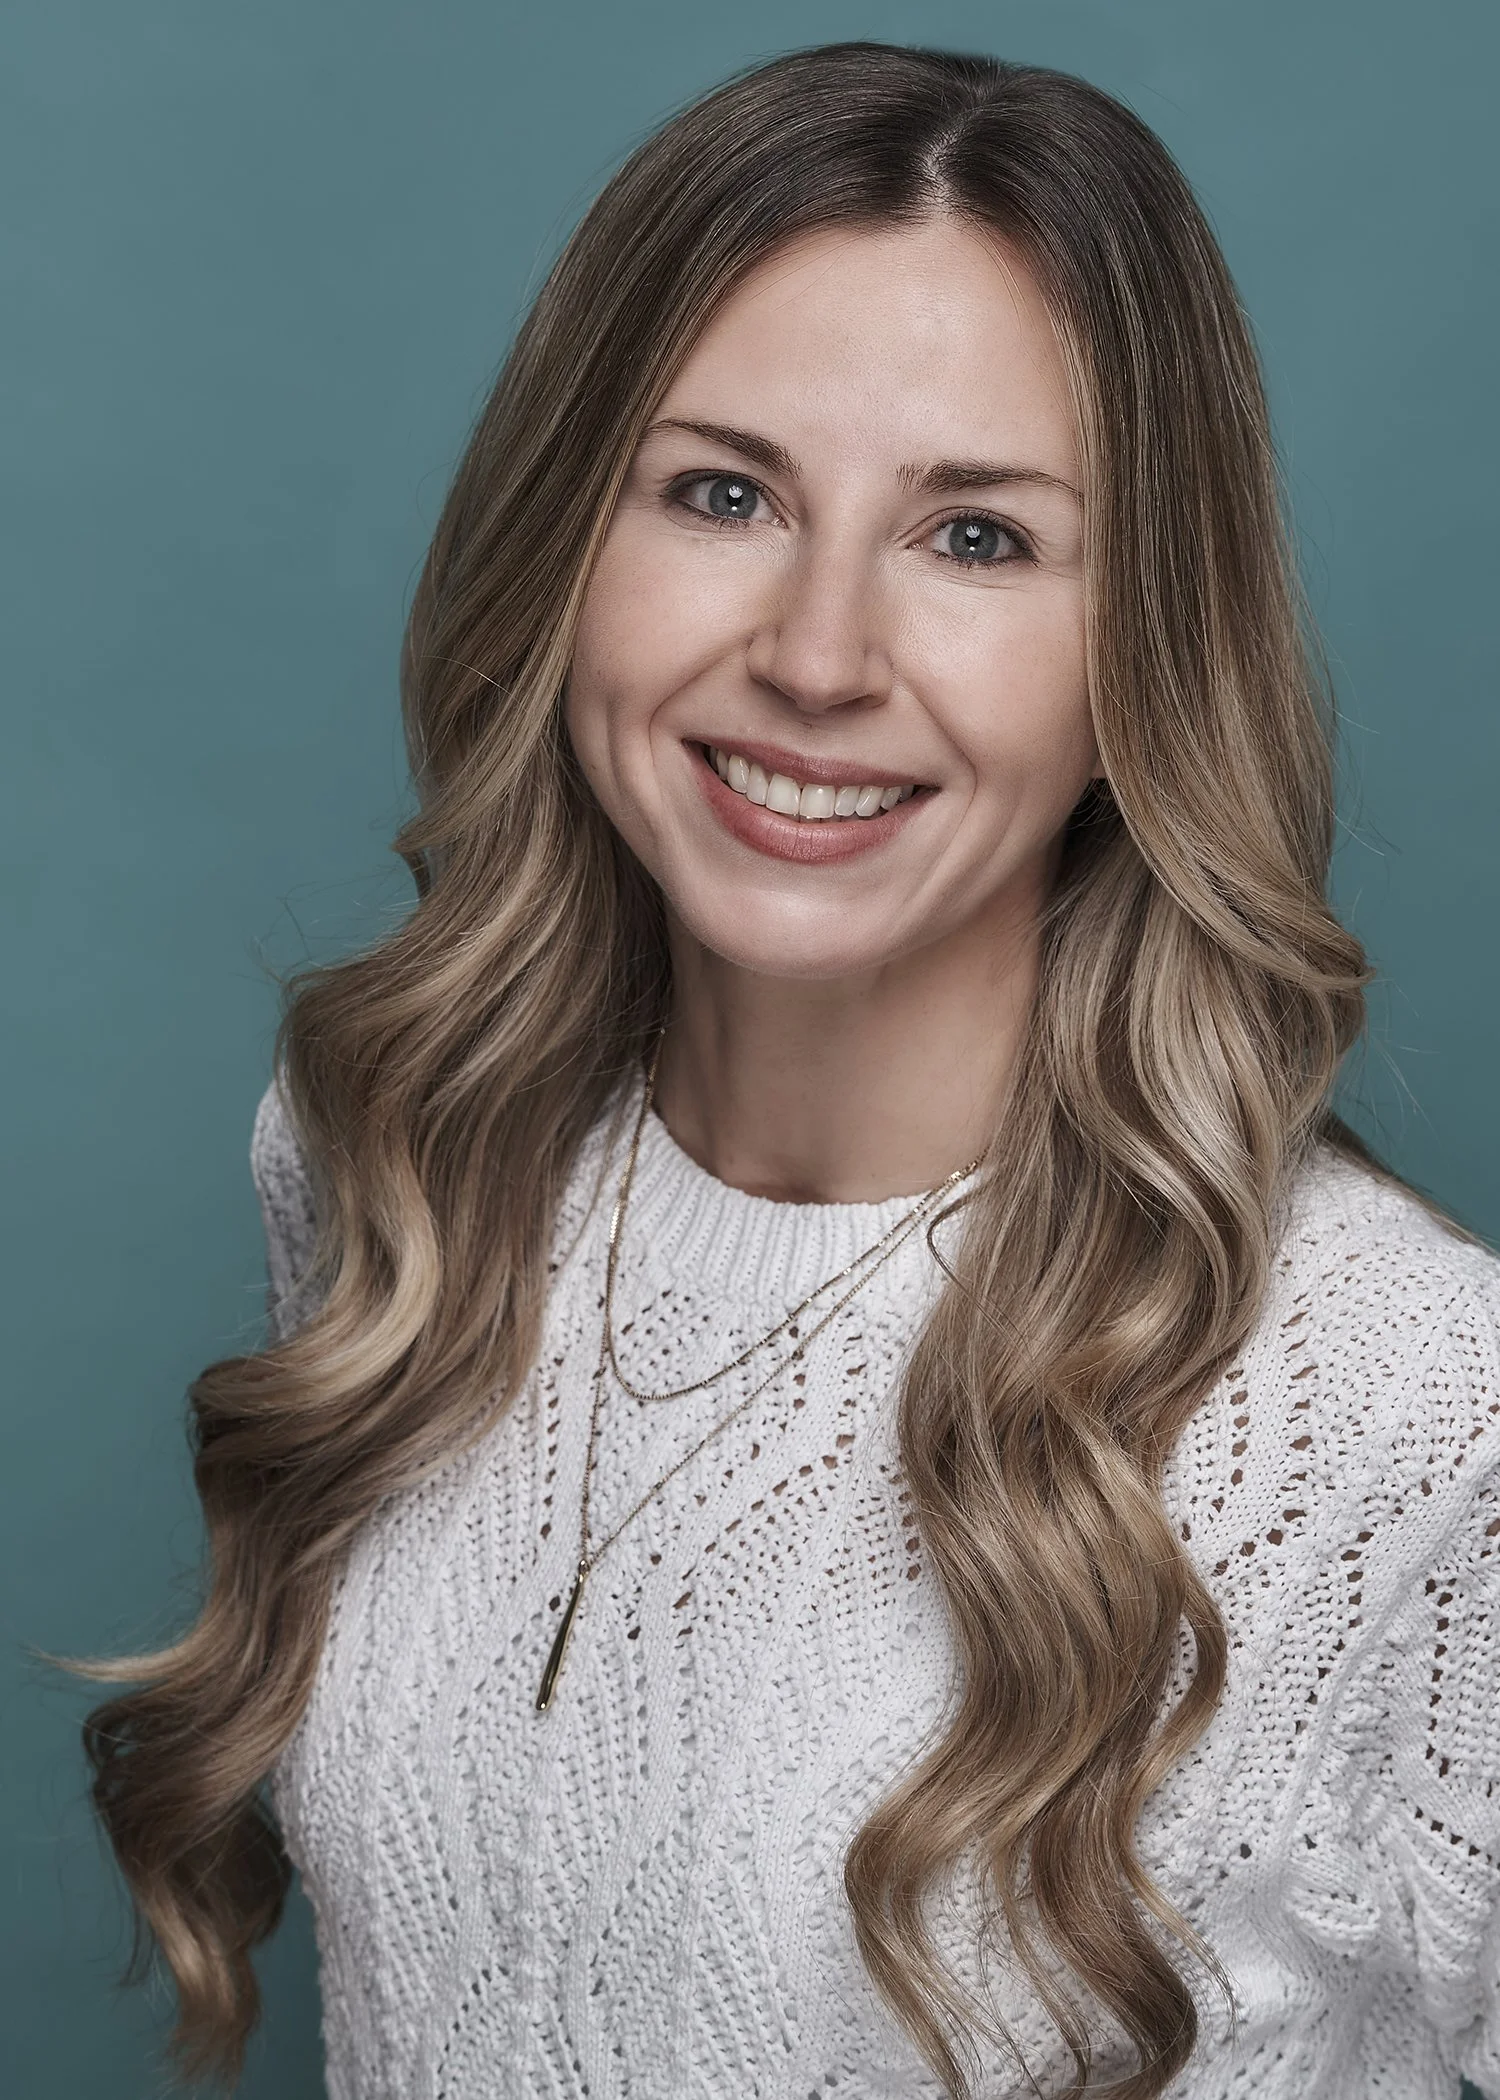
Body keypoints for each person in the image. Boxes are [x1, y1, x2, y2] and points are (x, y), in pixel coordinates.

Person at [81, 42, 1500, 2100]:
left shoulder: (1422, 1410)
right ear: (569, 544)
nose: (822, 655)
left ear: (1145, 653)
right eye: (722, 494)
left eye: (981, 540)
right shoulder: (399, 1169)